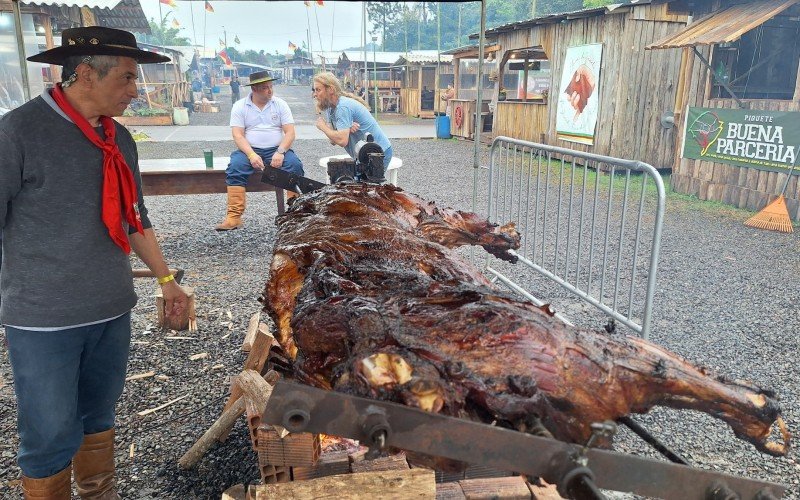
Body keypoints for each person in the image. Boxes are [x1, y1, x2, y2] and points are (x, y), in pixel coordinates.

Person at [0, 26, 189, 499]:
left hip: (110, 308)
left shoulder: (118, 137)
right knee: (48, 433)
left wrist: (167, 281)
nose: (135, 91)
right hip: (44, 319)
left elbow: (134, 218)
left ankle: (99, 493)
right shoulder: (18, 133)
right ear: (84, 73)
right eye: (126, 79)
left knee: (98, 417)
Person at [216, 70, 304, 230]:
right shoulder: (240, 106)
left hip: (276, 149)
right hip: (249, 149)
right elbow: (238, 135)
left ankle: (295, 214)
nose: (270, 90)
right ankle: (234, 217)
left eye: (271, 86)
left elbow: (290, 132)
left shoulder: (280, 104)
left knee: (295, 166)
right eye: (265, 88)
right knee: (235, 167)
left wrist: (281, 151)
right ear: (254, 89)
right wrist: (251, 154)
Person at [313, 72, 392, 179]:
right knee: (357, 189)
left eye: (318, 90)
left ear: (331, 90)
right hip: (363, 155)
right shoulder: (331, 108)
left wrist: (323, 127)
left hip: (378, 152)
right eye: (314, 90)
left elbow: (341, 140)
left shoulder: (342, 107)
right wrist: (346, 129)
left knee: (368, 191)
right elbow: (333, 140)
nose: (315, 94)